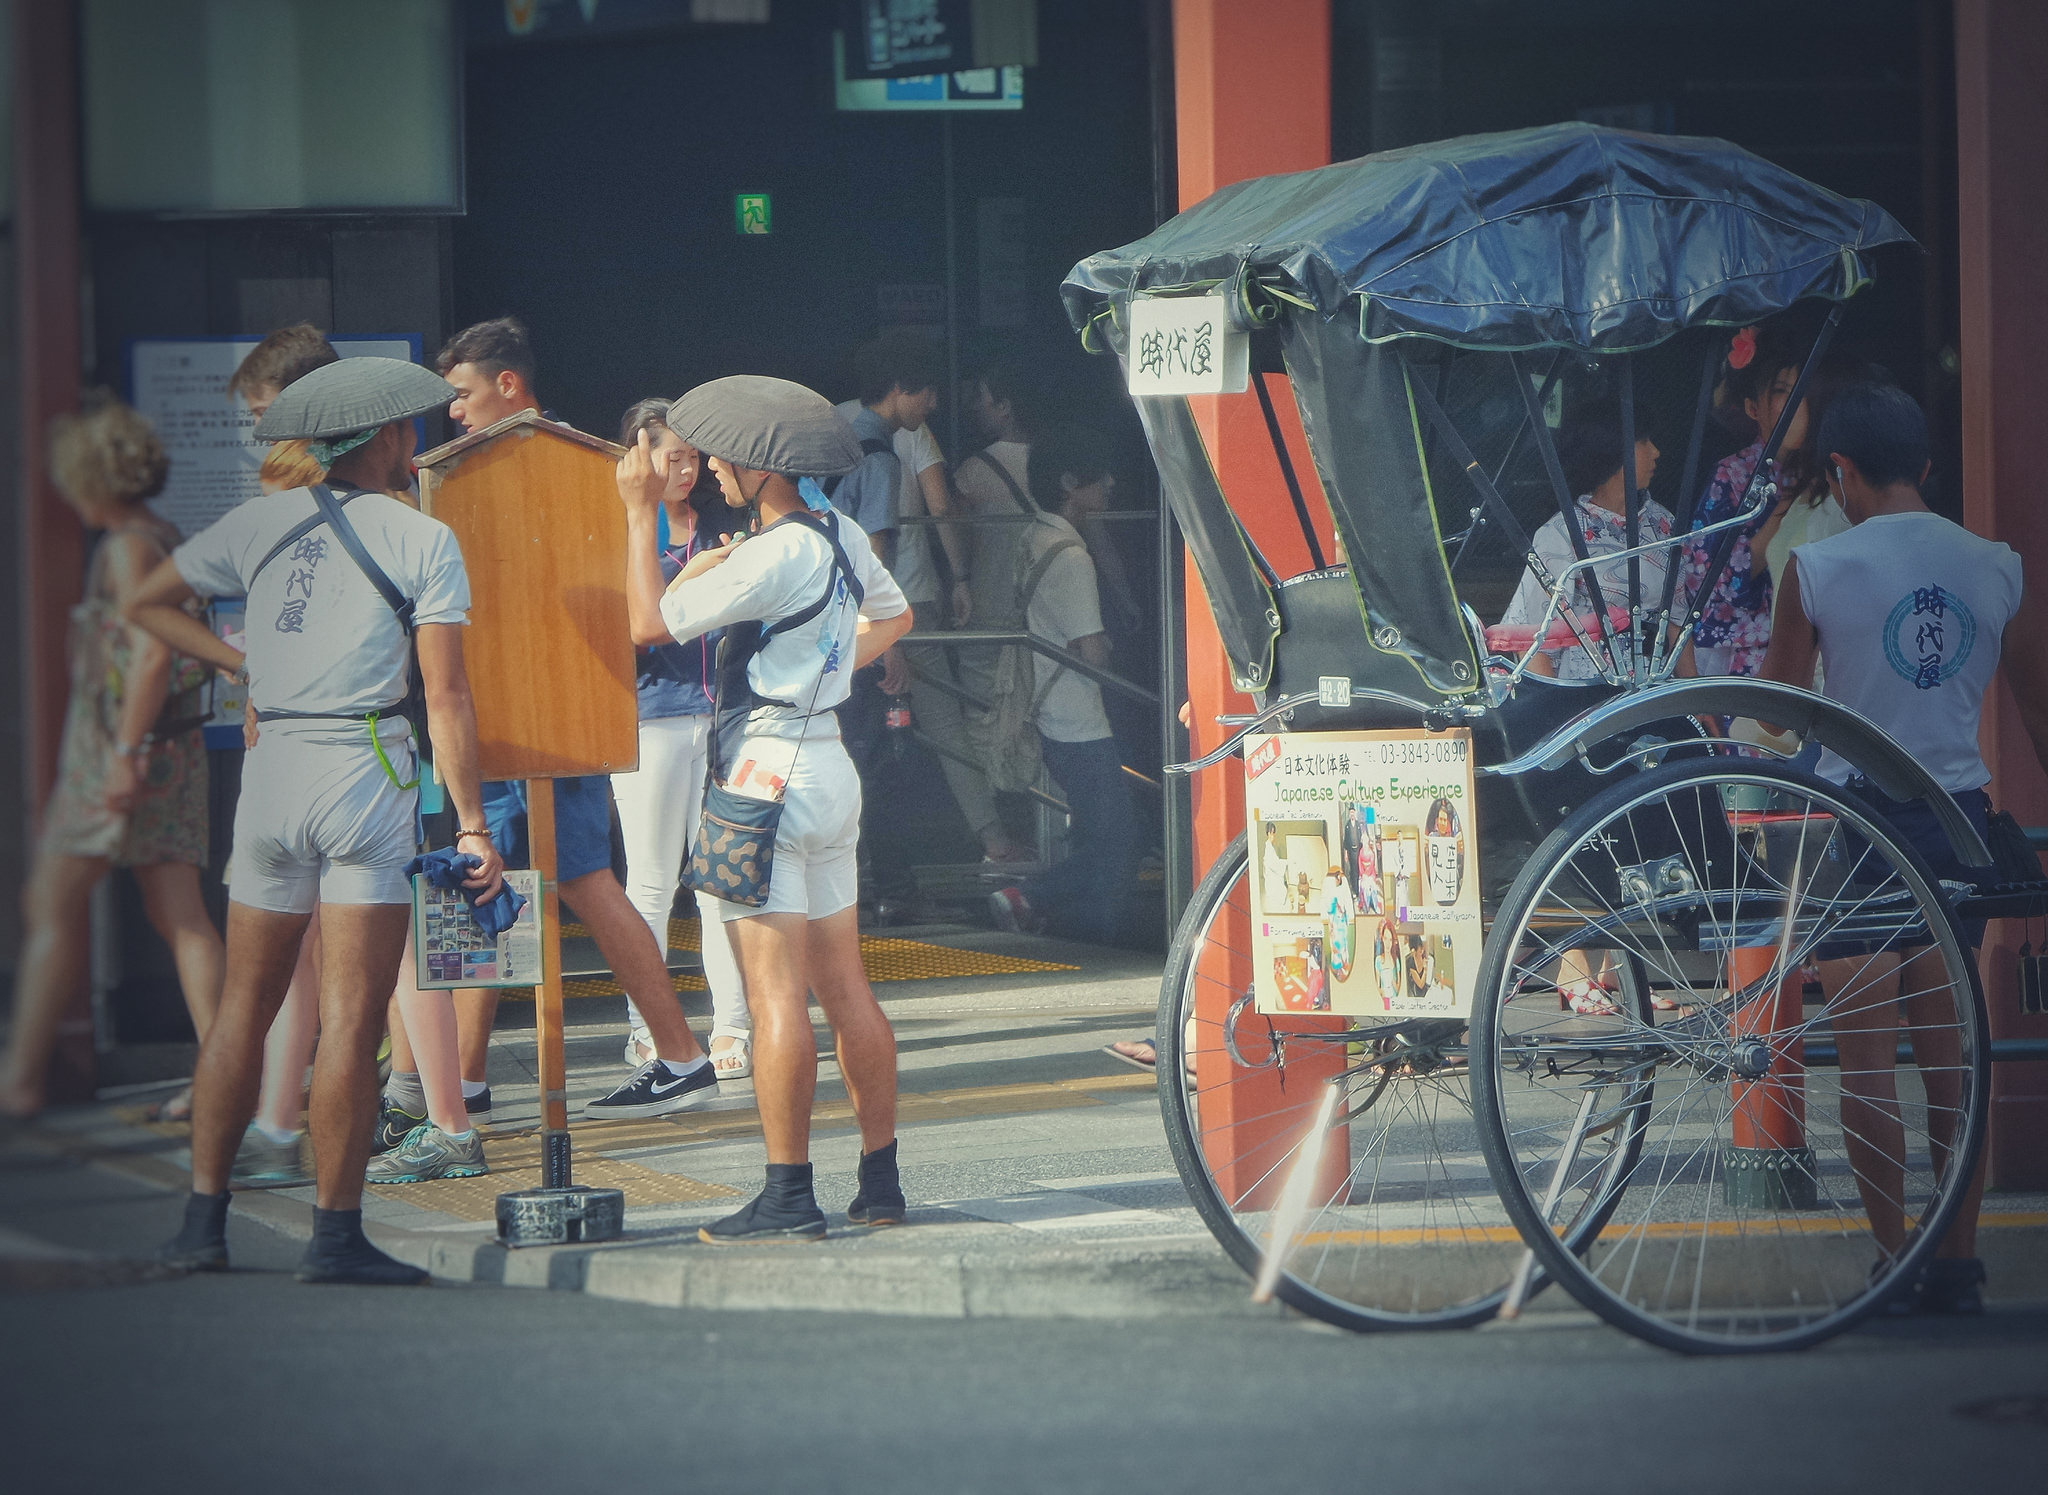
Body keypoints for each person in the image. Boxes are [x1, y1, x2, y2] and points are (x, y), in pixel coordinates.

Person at [129, 357, 505, 1284]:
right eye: (407, 427)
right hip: (364, 770)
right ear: (386, 439)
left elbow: (144, 602)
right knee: (349, 1018)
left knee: (243, 1009)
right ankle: (335, 1238)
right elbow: (447, 697)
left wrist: (239, 667)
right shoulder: (423, 537)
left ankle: (200, 1226)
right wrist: (471, 823)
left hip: (272, 769)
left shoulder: (260, 521)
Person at [1758, 380, 2048, 1314]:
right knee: (1951, 1057)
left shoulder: (1820, 569)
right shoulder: (1995, 564)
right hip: (1955, 821)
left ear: (1840, 471)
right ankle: (1957, 1263)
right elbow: (2038, 706)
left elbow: (1778, 708)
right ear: (1926, 465)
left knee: (1870, 1060)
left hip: (1859, 825)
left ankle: (1894, 1259)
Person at [616, 375, 915, 1241]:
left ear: (758, 465)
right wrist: (823, 667)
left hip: (760, 776)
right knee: (846, 985)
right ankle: (881, 1182)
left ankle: (788, 1194)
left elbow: (647, 621)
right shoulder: (842, 533)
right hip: (828, 761)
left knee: (776, 993)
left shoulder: (769, 550)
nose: (709, 468)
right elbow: (895, 620)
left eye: (720, 457)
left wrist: (641, 515)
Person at [429, 316, 716, 1119]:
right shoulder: (570, 466)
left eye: (463, 392)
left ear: (508, 385)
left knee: (564, 880)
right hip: (535, 712)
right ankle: (469, 1083)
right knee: (494, 885)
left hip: (537, 712)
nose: (454, 410)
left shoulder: (539, 467)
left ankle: (681, 1053)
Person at [0, 398, 223, 1122]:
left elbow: (152, 650)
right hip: (172, 749)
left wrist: (124, 753)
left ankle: (21, 1081)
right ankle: (224, 1074)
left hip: (121, 753)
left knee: (52, 901)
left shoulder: (127, 548)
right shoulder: (163, 535)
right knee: (179, 914)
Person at [221, 327, 339, 1184]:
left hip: (307, 750)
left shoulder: (298, 491)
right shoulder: (387, 497)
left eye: (264, 415)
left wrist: (250, 667)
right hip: (356, 748)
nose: (258, 433)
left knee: (313, 960)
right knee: (358, 961)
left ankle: (278, 1126)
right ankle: (421, 1104)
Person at [835, 331, 1021, 868]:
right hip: (904, 603)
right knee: (942, 721)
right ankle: (992, 840)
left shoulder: (829, 424)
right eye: (929, 392)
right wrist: (960, 576)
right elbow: (940, 509)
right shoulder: (894, 443)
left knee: (850, 737)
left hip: (838, 613)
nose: (935, 404)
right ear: (901, 389)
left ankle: (855, 867)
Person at [607, 397, 752, 1081]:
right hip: (651, 718)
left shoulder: (722, 524)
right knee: (652, 880)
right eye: (673, 455)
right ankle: (645, 1029)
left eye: (694, 455)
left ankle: (733, 1026)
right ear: (637, 457)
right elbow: (636, 626)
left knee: (719, 882)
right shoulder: (623, 532)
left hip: (718, 717)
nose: (688, 468)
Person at [987, 425, 1139, 945]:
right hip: (1079, 718)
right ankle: (1033, 898)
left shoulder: (1034, 537)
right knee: (1118, 839)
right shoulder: (1071, 558)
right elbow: (1090, 648)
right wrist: (1116, 651)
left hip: (1046, 709)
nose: (1113, 484)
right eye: (1101, 477)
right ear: (1072, 482)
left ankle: (1077, 926)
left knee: (1100, 835)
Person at [1675, 325, 1839, 679]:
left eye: (1805, 391)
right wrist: (1776, 526)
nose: (1797, 403)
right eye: (1782, 391)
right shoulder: (1731, 475)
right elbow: (1704, 581)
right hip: (1739, 652)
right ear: (1753, 407)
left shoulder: (1830, 476)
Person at [1497, 411, 1671, 681]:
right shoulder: (1561, 533)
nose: (1656, 452)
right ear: (1613, 453)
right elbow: (1535, 639)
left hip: (1656, 678)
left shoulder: (1662, 523)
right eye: (1644, 442)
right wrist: (1553, 709)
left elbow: (1680, 617)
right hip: (1589, 684)